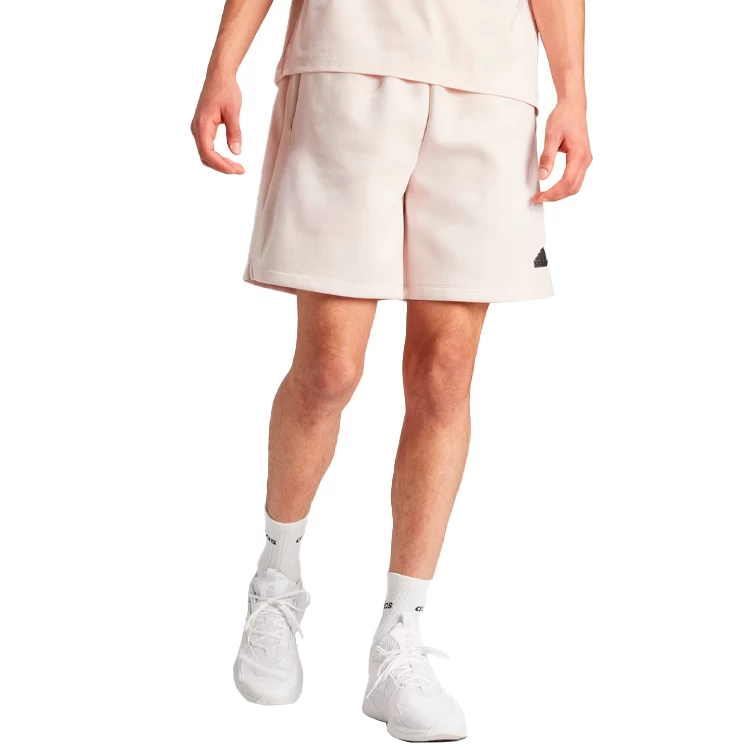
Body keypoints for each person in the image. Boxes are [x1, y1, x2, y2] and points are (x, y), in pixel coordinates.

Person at [191, 0, 592, 742]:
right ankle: (277, 582)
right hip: (346, 60)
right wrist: (224, 64)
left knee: (445, 374)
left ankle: (399, 637)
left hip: (490, 80)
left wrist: (573, 90)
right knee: (331, 366)